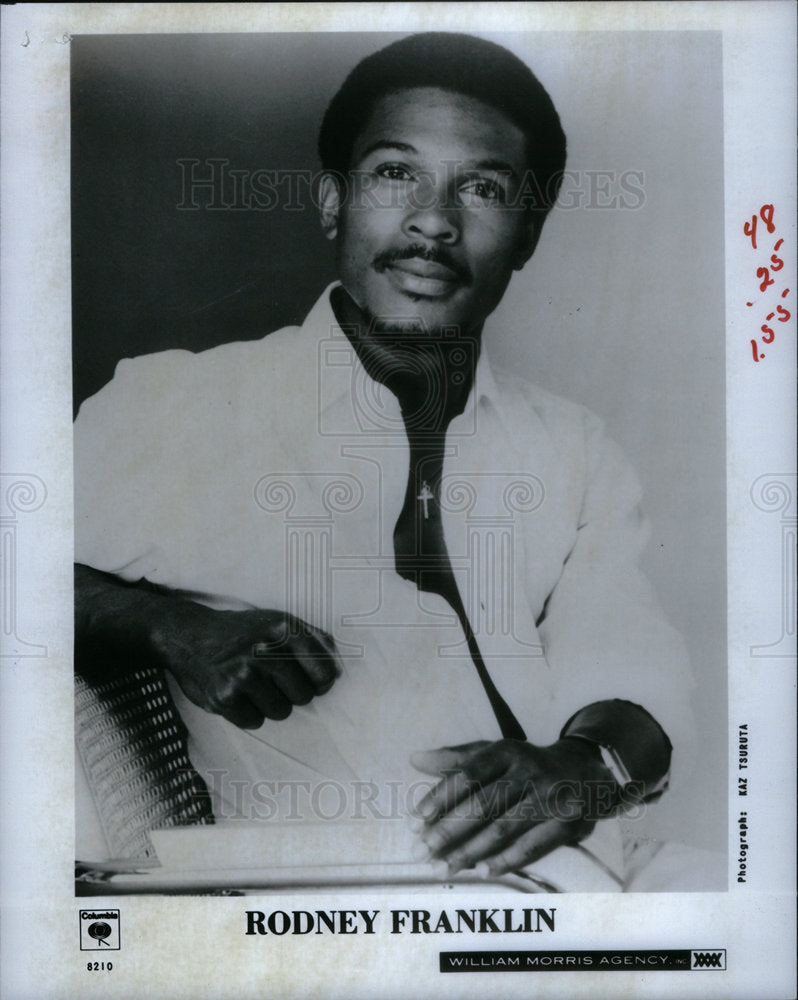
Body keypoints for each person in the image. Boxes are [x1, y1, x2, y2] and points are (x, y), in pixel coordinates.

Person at [74, 33, 712, 890]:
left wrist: (582, 769)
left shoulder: (571, 447)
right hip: (341, 911)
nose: (433, 222)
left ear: (528, 232)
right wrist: (169, 627)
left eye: (482, 189)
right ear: (333, 201)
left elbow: (635, 666)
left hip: (597, 876)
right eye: (394, 173)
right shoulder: (182, 408)